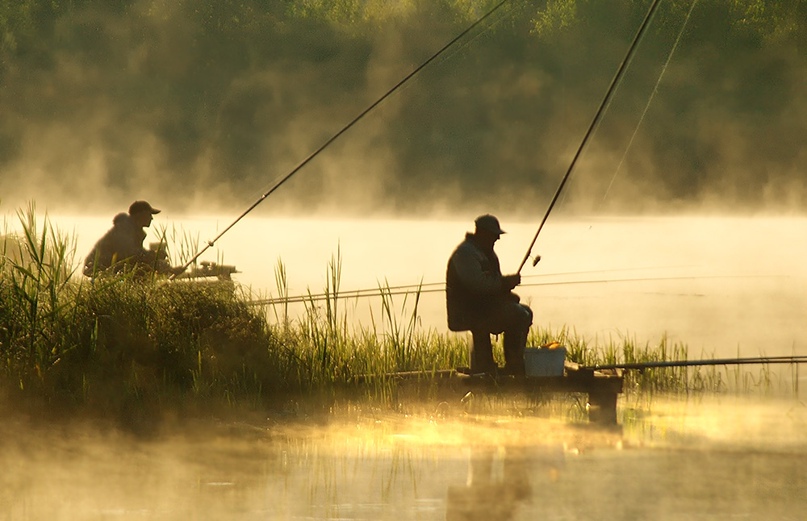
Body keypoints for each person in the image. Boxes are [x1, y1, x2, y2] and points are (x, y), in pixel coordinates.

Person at [446, 214, 533, 376]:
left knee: (525, 311)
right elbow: (479, 285)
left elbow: (491, 288)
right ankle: (506, 366)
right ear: (482, 233)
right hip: (468, 312)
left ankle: (513, 364)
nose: (497, 239)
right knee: (518, 314)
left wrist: (508, 294)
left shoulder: (485, 253)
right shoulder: (465, 254)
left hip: (482, 308)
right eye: (494, 235)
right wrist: (506, 283)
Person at [83, 200, 183, 279]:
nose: (152, 218)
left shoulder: (133, 230)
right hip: (96, 267)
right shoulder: (124, 229)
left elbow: (138, 256)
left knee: (143, 266)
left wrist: (167, 267)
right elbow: (131, 255)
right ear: (141, 214)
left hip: (110, 266)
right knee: (142, 267)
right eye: (149, 214)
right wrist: (155, 255)